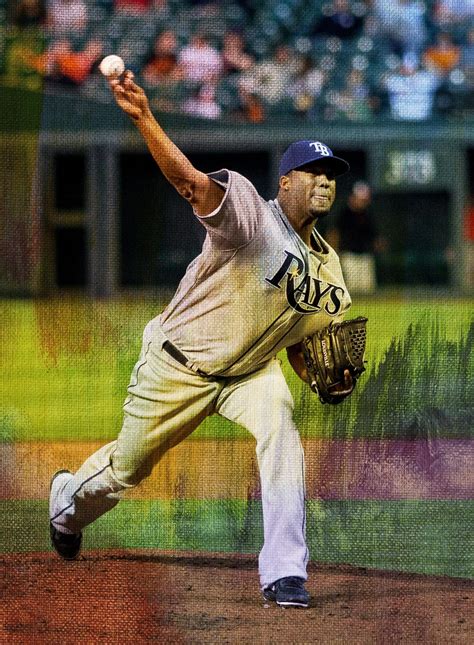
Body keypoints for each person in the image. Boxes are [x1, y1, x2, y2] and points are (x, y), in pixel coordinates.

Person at [49, 70, 354, 608]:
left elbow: (298, 341)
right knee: (127, 469)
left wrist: (319, 378)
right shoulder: (252, 218)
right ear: (285, 182)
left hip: (249, 374)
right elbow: (191, 183)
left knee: (281, 430)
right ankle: (66, 505)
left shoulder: (330, 273)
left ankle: (285, 572)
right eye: (313, 172)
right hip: (178, 364)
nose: (325, 181)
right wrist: (145, 117)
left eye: (331, 174)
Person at [327, 181, 384, 294]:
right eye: (361, 199)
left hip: (366, 256)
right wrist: (334, 252)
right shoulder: (344, 214)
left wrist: (378, 244)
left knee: (367, 290)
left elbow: (375, 236)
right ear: (353, 197)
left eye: (365, 200)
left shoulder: (367, 214)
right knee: (352, 290)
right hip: (349, 256)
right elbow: (333, 233)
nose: (364, 202)